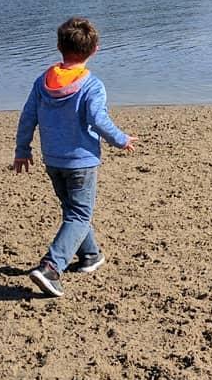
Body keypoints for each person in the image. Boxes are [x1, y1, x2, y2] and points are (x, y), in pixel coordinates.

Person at [13, 17, 136, 297]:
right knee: (80, 213)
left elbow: (27, 116)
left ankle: (91, 254)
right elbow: (98, 118)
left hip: (53, 160)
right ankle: (51, 267)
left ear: (58, 46)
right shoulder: (92, 85)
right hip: (81, 161)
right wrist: (121, 139)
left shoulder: (43, 81)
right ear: (95, 50)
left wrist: (23, 149)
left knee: (73, 211)